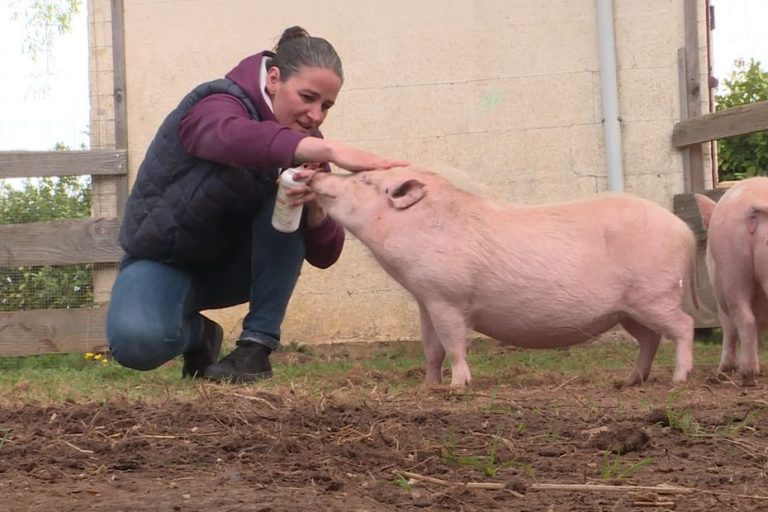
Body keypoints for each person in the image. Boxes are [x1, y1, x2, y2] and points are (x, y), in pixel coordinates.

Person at [106, 26, 406, 382]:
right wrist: (329, 150)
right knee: (137, 343)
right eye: (307, 97)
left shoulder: (308, 148)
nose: (316, 116)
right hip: (165, 261)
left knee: (290, 196)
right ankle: (200, 335)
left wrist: (317, 208)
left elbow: (326, 256)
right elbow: (229, 136)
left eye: (326, 106)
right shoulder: (216, 102)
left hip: (238, 270)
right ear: (274, 79)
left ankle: (255, 349)